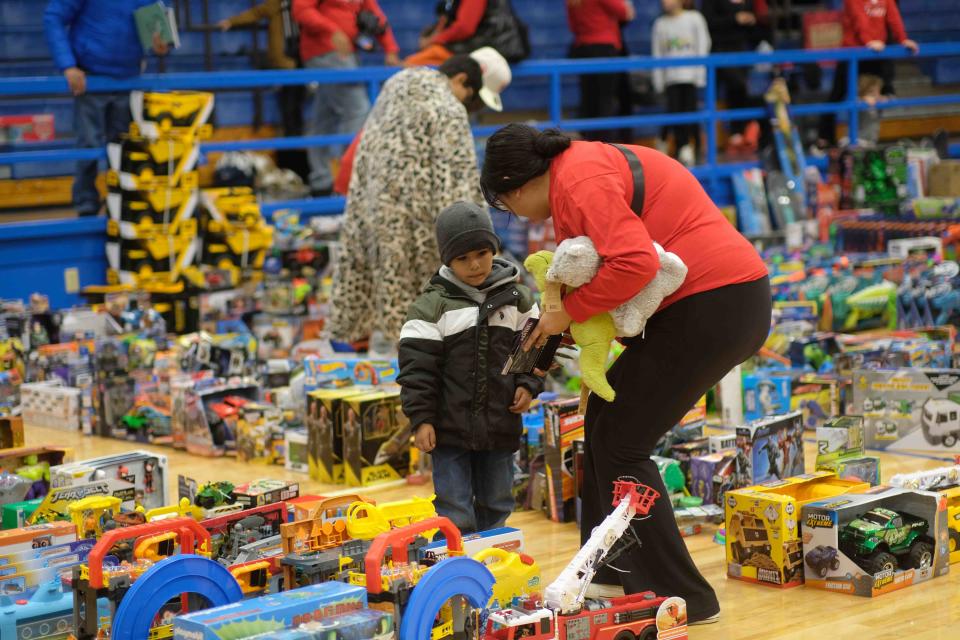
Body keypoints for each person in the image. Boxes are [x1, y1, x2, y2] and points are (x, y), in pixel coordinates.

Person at [479, 124, 771, 624]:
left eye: (505, 206)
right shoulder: (579, 171)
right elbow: (620, 276)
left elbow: (634, 263)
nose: (513, 216)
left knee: (622, 442)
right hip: (714, 301)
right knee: (605, 425)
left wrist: (568, 313)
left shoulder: (578, 181)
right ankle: (609, 573)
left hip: (715, 301)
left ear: (517, 185)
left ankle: (681, 598)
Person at [326, 49, 512, 345]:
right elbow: (458, 184)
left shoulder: (396, 86)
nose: (467, 104)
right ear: (462, 79)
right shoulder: (448, 109)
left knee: (377, 294)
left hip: (370, 210)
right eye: (469, 96)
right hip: (418, 227)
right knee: (421, 316)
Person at [397, 202, 543, 533]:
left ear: (494, 248)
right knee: (454, 509)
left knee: (497, 503)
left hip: (500, 425)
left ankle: (493, 565)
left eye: (481, 253)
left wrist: (527, 384)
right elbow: (416, 371)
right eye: (462, 258)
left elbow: (535, 348)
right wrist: (421, 420)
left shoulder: (517, 300)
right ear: (447, 260)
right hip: (448, 432)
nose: (475, 264)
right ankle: (457, 568)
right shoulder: (430, 308)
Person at [43, 0, 170, 217]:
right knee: (88, 143)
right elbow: (53, 17)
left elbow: (161, 29)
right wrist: (68, 65)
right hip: (90, 79)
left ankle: (122, 204)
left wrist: (162, 45)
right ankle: (86, 205)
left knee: (126, 147)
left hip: (129, 79)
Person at [292, 0, 400, 196]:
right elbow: (301, 10)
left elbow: (374, 14)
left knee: (325, 116)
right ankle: (349, 179)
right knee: (357, 110)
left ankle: (321, 184)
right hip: (325, 50)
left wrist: (390, 48)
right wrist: (332, 30)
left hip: (346, 51)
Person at [219, 0, 308, 180]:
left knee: (295, 113)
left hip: (302, 63)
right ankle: (292, 162)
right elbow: (256, 13)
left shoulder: (304, 6)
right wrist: (232, 21)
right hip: (286, 65)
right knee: (289, 113)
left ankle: (298, 163)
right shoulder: (277, 4)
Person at [818, 0, 918, 147]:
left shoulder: (887, 1)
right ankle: (825, 139)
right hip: (852, 53)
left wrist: (903, 39)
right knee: (837, 95)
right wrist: (869, 41)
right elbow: (860, 21)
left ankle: (867, 140)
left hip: (875, 54)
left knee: (876, 96)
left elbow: (893, 17)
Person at [701, 0, 766, 156]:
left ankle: (742, 133)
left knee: (739, 90)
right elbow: (708, 22)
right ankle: (735, 133)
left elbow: (758, 29)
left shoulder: (749, 2)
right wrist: (734, 19)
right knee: (737, 86)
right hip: (718, 52)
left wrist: (753, 20)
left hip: (742, 52)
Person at [566, 0, 636, 143]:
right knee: (606, 100)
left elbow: (572, 26)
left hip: (583, 48)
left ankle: (587, 145)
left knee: (588, 101)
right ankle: (604, 146)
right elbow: (625, 13)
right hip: (605, 49)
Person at [652, 0, 710, 166]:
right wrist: (659, 80)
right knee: (674, 111)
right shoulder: (660, 24)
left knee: (690, 111)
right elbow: (657, 53)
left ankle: (690, 147)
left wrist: (700, 74)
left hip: (690, 76)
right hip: (671, 77)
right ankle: (677, 145)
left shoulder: (694, 18)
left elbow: (703, 45)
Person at [406, 0, 528, 66]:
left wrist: (434, 40)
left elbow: (464, 28)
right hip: (487, 45)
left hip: (496, 47)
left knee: (410, 64)